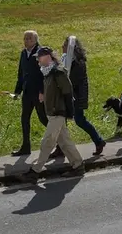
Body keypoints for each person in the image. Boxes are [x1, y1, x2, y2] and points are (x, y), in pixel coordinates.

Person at [18, 47, 85, 182]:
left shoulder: (58, 72)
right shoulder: (48, 73)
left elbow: (68, 92)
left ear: (48, 57)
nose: (37, 59)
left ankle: (35, 171)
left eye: (39, 57)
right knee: (65, 142)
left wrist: (70, 112)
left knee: (47, 141)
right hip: (53, 112)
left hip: (58, 112)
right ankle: (78, 165)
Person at [61, 36, 105, 156]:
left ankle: (98, 140)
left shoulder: (78, 62)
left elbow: (73, 80)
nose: (62, 48)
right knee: (62, 120)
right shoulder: (68, 60)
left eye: (64, 46)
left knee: (80, 120)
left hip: (77, 96)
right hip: (70, 95)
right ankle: (60, 148)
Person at [10, 30, 47, 157]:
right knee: (24, 118)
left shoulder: (41, 53)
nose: (26, 41)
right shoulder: (23, 53)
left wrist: (43, 91)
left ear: (35, 40)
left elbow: (45, 74)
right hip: (27, 91)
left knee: (43, 118)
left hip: (38, 92)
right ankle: (26, 146)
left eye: (29, 39)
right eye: (25, 38)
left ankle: (60, 143)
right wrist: (17, 91)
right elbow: (21, 73)